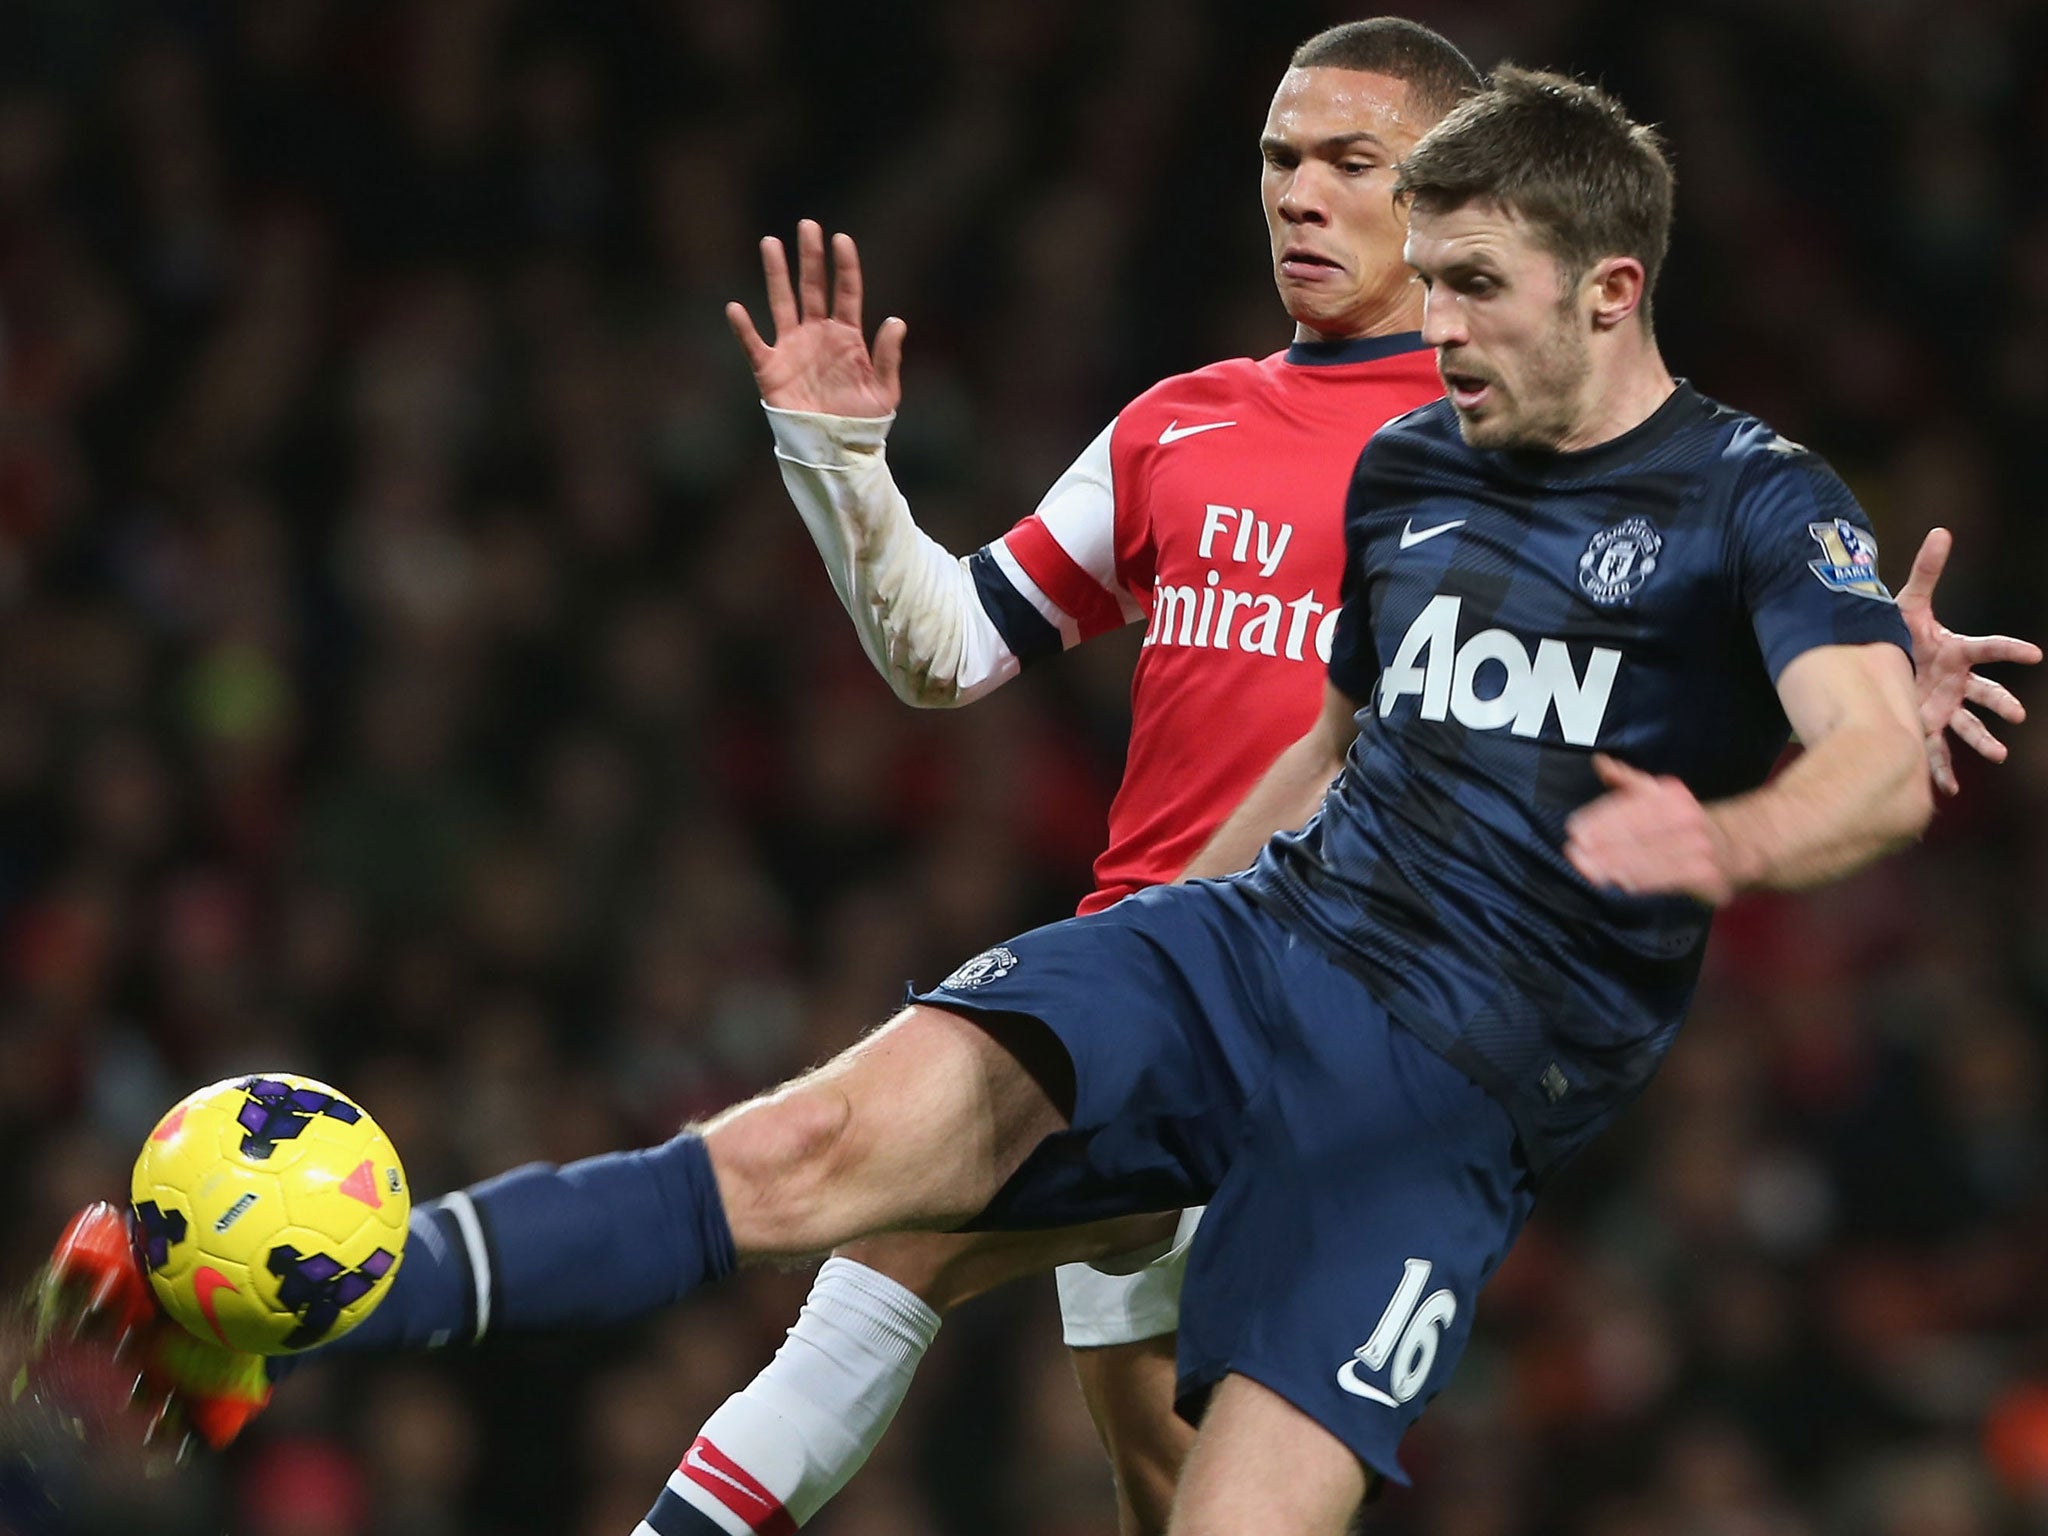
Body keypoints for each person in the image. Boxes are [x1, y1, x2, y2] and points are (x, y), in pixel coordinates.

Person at [37, 40, 2037, 1536]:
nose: (1409, 295)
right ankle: (311, 1301)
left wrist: (1768, 787)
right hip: (1211, 968)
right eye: (1288, 168)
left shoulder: (1738, 496)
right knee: (825, 1178)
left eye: (1433, 241)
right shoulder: (1307, 444)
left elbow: (1855, 747)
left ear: (1587, 279)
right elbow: (1288, 733)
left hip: (1427, 1100)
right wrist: (846, 478)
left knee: (1114, 1443)